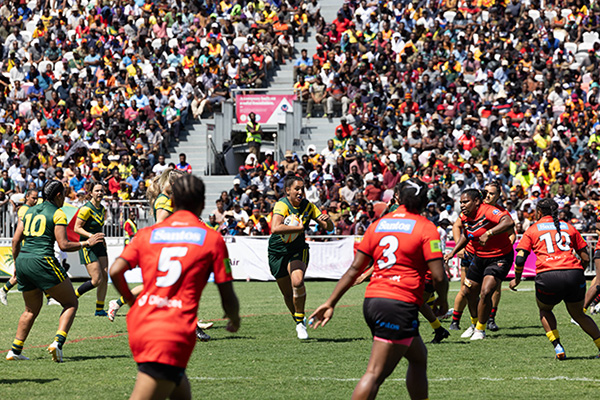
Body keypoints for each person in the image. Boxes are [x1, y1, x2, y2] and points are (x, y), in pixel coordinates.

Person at [309, 179, 449, 399]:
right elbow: (439, 276)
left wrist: (331, 302)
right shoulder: (425, 227)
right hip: (398, 305)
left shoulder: (378, 225)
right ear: (423, 202)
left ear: (398, 199)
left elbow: (355, 268)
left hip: (373, 301)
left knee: (418, 356)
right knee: (375, 374)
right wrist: (443, 300)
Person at [110, 174, 240, 400]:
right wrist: (234, 318)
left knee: (181, 391)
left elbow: (115, 271)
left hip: (142, 322)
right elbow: (226, 293)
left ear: (172, 201)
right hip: (171, 330)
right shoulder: (211, 239)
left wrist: (133, 303)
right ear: (201, 205)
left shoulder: (146, 235)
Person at [6, 181, 104, 362]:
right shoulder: (58, 213)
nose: (65, 198)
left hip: (23, 261)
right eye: (64, 194)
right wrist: (86, 243)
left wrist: (16, 264)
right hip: (43, 261)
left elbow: (15, 240)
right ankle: (57, 343)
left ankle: (15, 350)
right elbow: (64, 245)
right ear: (58, 195)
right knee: (71, 302)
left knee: (30, 309)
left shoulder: (28, 210)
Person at [510, 199, 600, 359]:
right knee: (579, 315)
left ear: (538, 212)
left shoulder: (532, 229)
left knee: (545, 310)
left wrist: (516, 279)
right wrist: (578, 271)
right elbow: (585, 257)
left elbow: (520, 260)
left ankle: (558, 346)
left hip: (548, 275)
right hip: (574, 273)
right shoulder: (569, 227)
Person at [444, 189, 515, 340]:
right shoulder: (464, 216)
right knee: (469, 292)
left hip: (499, 257)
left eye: (466, 202)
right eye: (461, 202)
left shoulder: (488, 211)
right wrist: (453, 251)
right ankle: (474, 324)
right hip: (479, 257)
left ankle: (480, 330)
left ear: (476, 201)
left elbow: (508, 221)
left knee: (486, 291)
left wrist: (489, 233)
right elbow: (466, 234)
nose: (462, 205)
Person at [268, 175, 333, 339]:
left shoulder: (308, 206)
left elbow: (328, 228)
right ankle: (298, 319)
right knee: (287, 295)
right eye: (296, 189)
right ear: (287, 190)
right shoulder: (282, 204)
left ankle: (300, 321)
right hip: (277, 251)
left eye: (302, 189)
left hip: (297, 249)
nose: (300, 192)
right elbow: (275, 228)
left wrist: (328, 221)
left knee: (297, 281)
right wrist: (299, 228)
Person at [73, 183, 109, 316]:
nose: (100, 193)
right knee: (96, 279)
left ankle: (99, 309)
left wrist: (101, 238)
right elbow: (77, 228)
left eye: (101, 191)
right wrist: (91, 237)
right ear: (91, 193)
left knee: (105, 276)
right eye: (97, 191)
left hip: (99, 244)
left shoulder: (103, 209)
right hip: (88, 245)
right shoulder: (85, 209)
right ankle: (73, 296)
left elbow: (98, 227)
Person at [0, 188, 38, 305]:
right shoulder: (24, 210)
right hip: (25, 246)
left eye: (37, 198)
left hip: (29, 245)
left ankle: (4, 290)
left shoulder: (30, 209)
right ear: (27, 197)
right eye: (33, 198)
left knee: (26, 274)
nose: (36, 201)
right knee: (24, 273)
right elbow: (21, 230)